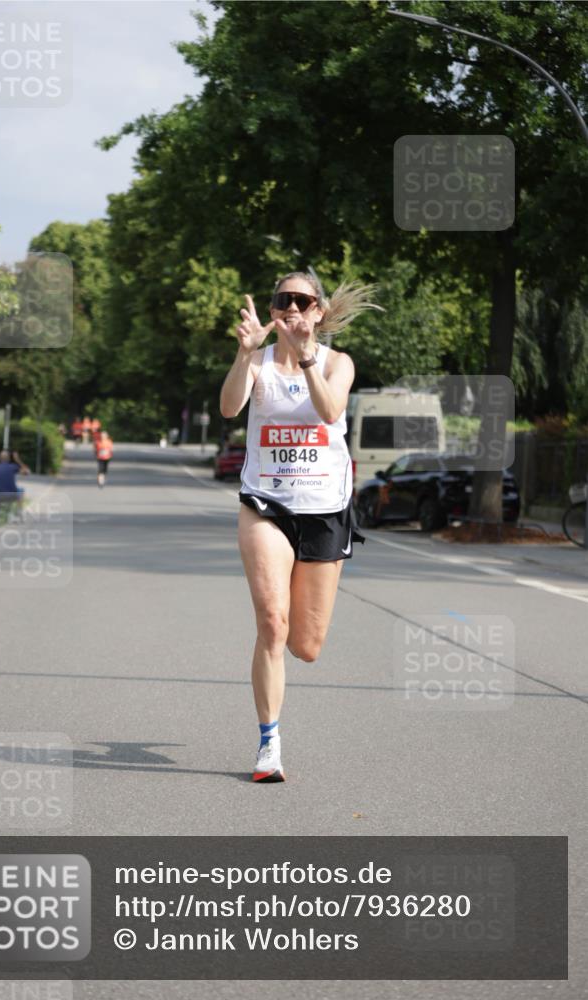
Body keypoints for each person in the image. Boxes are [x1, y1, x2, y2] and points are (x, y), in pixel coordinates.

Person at [219, 270, 382, 783]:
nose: (290, 308)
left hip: (324, 509)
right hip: (266, 503)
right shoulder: (259, 361)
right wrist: (245, 353)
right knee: (272, 622)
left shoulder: (338, 363)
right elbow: (228, 408)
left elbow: (330, 409)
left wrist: (307, 355)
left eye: (301, 301)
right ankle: (269, 744)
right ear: (272, 311)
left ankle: (290, 639)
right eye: (281, 301)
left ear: (318, 311)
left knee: (305, 645)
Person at [0, 449, 31, 520]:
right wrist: (17, 460)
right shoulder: (13, 467)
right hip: (12, 496)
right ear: (9, 458)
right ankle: (19, 512)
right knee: (21, 491)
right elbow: (27, 472)